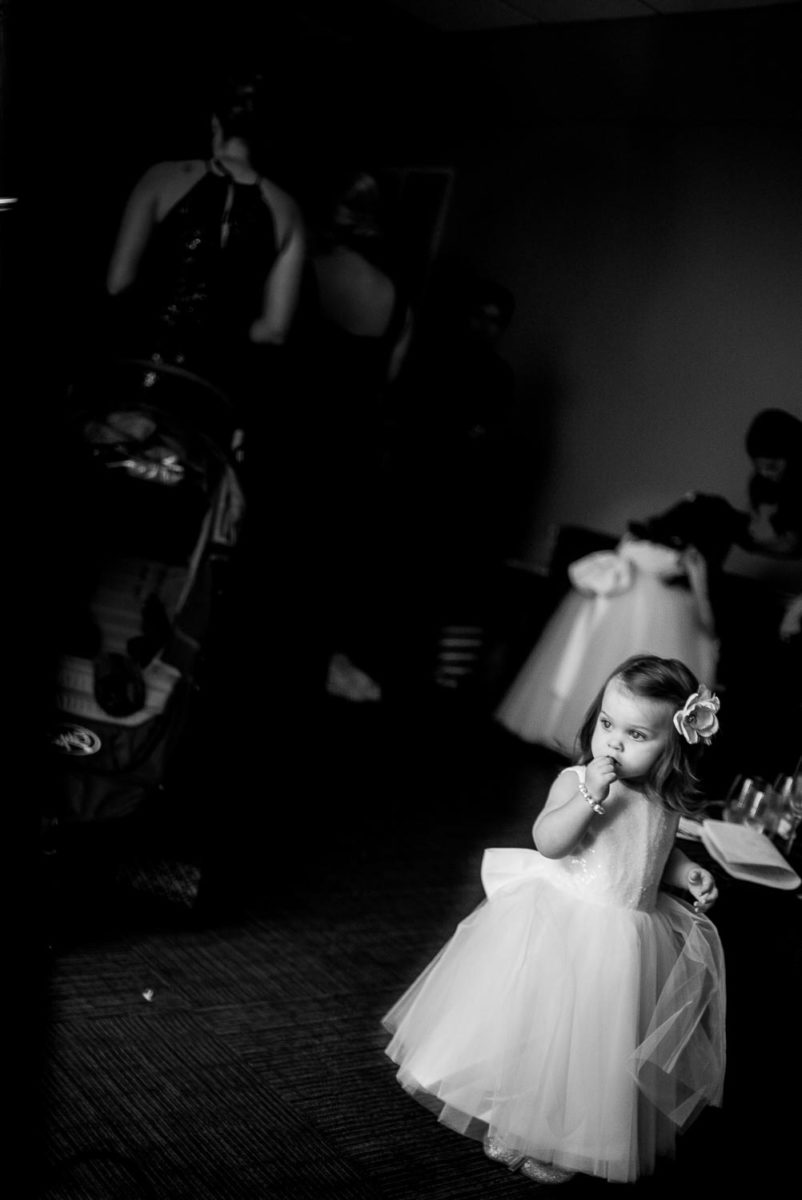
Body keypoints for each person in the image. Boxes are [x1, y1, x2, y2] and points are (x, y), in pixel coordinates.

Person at [384, 654, 725, 1185]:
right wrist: (591, 795)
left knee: (593, 1050)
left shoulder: (663, 803)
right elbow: (549, 842)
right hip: (563, 931)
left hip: (626, 942)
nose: (613, 742)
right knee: (538, 1037)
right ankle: (513, 1121)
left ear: (673, 745)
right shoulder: (577, 780)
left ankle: (565, 1135)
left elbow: (652, 854)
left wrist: (686, 875)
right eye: (607, 725)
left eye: (636, 734)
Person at [105, 72, 305, 405]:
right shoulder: (289, 211)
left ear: (216, 123)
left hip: (138, 370)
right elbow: (274, 329)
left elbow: (117, 283)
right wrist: (221, 327)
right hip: (212, 389)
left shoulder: (161, 177)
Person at [496, 492, 739, 755]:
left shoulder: (637, 537)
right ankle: (607, 746)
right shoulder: (690, 555)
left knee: (589, 672)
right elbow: (704, 611)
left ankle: (571, 733)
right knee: (626, 680)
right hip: (647, 617)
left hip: (609, 609)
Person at [293, 169, 413, 702]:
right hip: (356, 447)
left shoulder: (304, 269)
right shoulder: (396, 298)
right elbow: (388, 379)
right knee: (325, 565)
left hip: (295, 434)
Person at [737, 408, 802, 559]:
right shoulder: (762, 486)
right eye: (759, 467)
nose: (765, 473)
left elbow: (793, 545)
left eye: (772, 466)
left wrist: (753, 546)